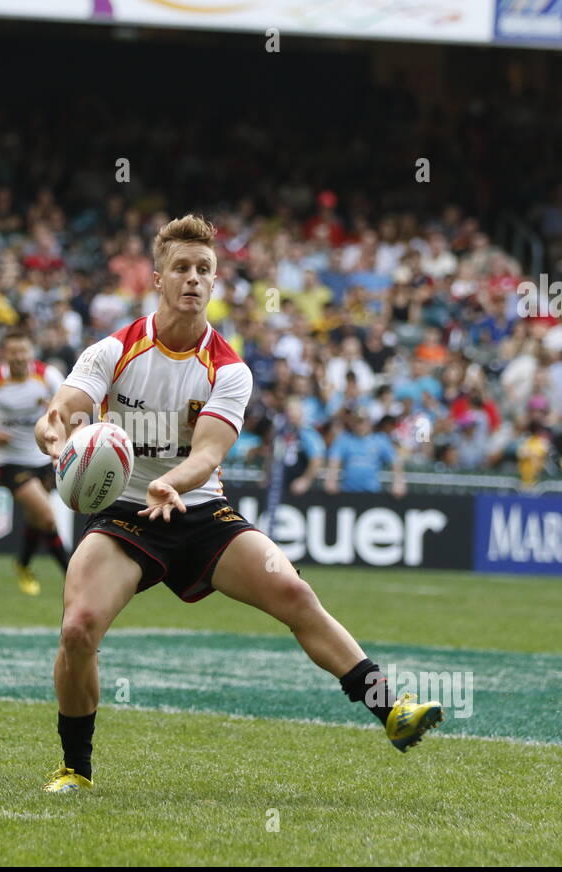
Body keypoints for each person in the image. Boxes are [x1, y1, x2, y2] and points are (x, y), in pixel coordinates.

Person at [33, 215, 443, 793]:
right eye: (181, 268)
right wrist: (54, 433)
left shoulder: (230, 369)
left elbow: (208, 454)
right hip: (125, 514)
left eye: (204, 270)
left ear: (216, 281)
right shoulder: (113, 350)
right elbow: (63, 411)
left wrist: (173, 481)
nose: (193, 279)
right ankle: (76, 768)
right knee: (77, 628)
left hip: (200, 510)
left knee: (295, 593)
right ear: (157, 278)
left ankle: (391, 711)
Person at [0, 331, 70, 595]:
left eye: (23, 351)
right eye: (13, 352)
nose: (19, 357)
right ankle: (73, 574)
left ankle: (22, 564)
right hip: (8, 460)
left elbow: (67, 406)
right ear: (5, 354)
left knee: (36, 518)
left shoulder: (48, 377)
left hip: (43, 458)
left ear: (30, 352)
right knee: (46, 515)